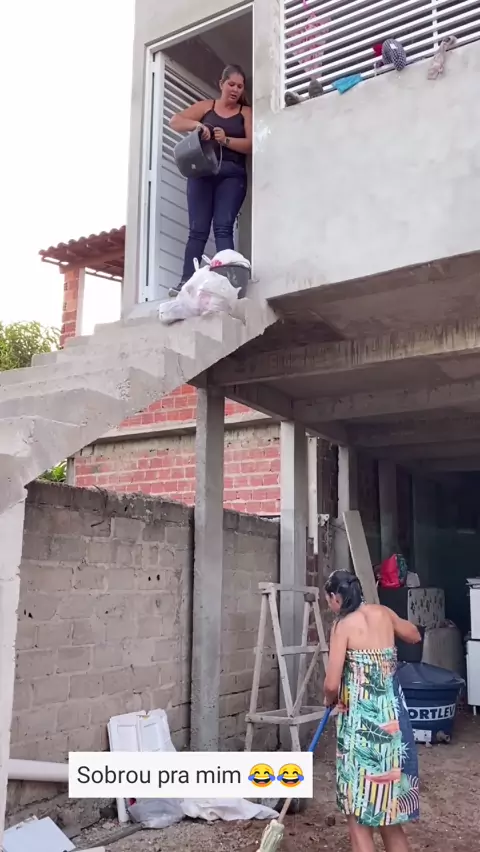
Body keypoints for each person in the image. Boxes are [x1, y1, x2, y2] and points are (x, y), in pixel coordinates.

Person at [323, 570, 422, 852]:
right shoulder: (383, 613)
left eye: (328, 600)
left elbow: (331, 684)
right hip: (393, 726)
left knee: (358, 816)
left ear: (336, 597)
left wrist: (329, 699)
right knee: (389, 816)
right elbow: (414, 635)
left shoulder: (342, 626)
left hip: (361, 730)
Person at [169, 64, 252, 295]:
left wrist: (226, 140)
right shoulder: (207, 107)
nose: (235, 90)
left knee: (223, 227)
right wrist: (197, 125)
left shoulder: (246, 112)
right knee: (197, 230)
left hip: (232, 175)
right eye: (231, 84)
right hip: (202, 173)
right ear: (221, 84)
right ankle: (186, 283)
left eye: (240, 86)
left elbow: (250, 145)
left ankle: (228, 284)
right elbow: (175, 121)